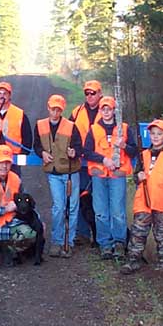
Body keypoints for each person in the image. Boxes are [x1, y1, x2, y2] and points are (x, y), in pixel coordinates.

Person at [120, 119, 163, 275]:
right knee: (138, 232)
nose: (155, 137)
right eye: (153, 133)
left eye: (159, 134)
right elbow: (135, 176)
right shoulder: (143, 154)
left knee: (162, 235)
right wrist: (138, 176)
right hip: (144, 201)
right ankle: (133, 261)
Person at [83, 96, 139, 260]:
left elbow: (134, 151)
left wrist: (124, 146)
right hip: (99, 176)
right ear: (100, 111)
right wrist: (103, 160)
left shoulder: (124, 128)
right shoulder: (93, 129)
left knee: (118, 212)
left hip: (117, 175)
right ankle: (105, 245)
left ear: (114, 110)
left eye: (109, 109)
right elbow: (86, 152)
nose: (106, 112)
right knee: (101, 212)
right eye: (103, 109)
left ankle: (119, 243)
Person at [33, 94, 82, 258]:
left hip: (71, 172)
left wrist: (74, 152)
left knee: (72, 208)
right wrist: (42, 154)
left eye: (58, 110)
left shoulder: (71, 126)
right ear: (48, 107)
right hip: (53, 173)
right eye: (53, 109)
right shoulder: (39, 125)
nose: (55, 112)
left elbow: (78, 147)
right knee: (58, 208)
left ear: (62, 110)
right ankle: (57, 241)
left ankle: (70, 242)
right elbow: (36, 145)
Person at [69, 80, 103, 242]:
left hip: (101, 163)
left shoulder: (108, 110)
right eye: (87, 93)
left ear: (100, 93)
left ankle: (101, 235)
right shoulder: (77, 112)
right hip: (81, 163)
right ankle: (82, 233)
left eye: (93, 93)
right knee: (81, 197)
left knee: (99, 198)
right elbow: (67, 132)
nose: (89, 96)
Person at [0, 81, 32, 175]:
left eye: (5, 93)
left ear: (9, 95)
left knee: (13, 187)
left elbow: (27, 138)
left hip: (13, 159)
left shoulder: (20, 114)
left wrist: (21, 155)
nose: (2, 96)